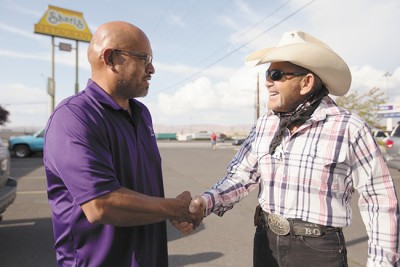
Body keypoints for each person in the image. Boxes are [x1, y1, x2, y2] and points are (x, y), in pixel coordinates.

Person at [179, 31, 400, 266]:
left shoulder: (350, 129)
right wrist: (205, 202)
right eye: (267, 74)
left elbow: (380, 201)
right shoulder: (266, 123)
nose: (267, 82)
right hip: (266, 243)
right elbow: (241, 176)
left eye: (276, 75)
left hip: (319, 252)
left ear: (306, 82)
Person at [43, 21, 201, 267]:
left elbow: (140, 191)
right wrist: (173, 208)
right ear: (111, 59)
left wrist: (168, 210)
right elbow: (100, 204)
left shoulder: (141, 114)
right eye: (144, 58)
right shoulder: (73, 117)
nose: (152, 69)